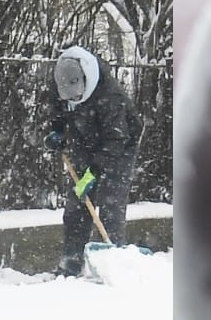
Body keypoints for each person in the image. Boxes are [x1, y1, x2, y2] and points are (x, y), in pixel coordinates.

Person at [44, 45, 144, 276]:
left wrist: (94, 172)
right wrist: (57, 131)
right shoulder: (61, 81)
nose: (74, 100)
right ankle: (71, 260)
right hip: (84, 141)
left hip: (119, 147)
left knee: (110, 204)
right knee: (77, 203)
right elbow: (57, 109)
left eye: (78, 96)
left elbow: (116, 140)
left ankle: (112, 262)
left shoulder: (110, 98)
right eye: (70, 98)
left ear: (86, 82)